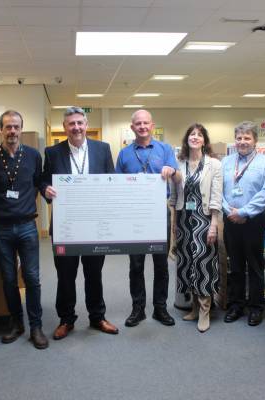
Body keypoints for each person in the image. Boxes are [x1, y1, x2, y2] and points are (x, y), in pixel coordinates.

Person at [41, 106, 118, 340]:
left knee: (94, 273)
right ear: (64, 127)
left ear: (86, 125)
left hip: (96, 225)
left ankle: (97, 317)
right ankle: (66, 319)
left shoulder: (102, 149)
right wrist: (46, 189)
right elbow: (44, 181)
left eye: (79, 123)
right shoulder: (53, 152)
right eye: (71, 124)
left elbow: (111, 179)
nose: (76, 127)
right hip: (66, 226)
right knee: (66, 275)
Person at [0, 110, 48, 350]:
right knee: (8, 278)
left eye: (16, 127)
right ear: (1, 130)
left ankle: (36, 326)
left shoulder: (34, 156)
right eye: (8, 127)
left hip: (27, 226)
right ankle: (17, 323)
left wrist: (23, 205)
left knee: (32, 278)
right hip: (1, 228)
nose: (12, 131)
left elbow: (38, 184)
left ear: (21, 129)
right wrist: (2, 208)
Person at [116, 109, 181, 327]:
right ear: (132, 127)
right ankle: (138, 309)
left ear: (152, 125)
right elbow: (116, 184)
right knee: (136, 265)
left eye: (146, 123)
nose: (142, 126)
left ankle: (160, 309)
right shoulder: (124, 154)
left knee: (161, 264)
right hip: (133, 215)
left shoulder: (165, 149)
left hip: (158, 213)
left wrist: (171, 170)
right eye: (138, 123)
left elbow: (179, 177)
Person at [222, 121, 265, 326]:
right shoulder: (226, 162)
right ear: (235, 140)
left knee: (254, 266)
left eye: (247, 138)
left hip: (254, 220)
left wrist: (244, 212)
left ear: (255, 140)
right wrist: (230, 212)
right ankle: (236, 305)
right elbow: (219, 192)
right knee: (234, 266)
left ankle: (255, 308)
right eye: (239, 138)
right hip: (230, 220)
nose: (242, 142)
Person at [170, 124, 222, 332]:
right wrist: (174, 223)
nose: (195, 137)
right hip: (184, 219)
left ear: (204, 140)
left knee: (203, 264)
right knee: (187, 263)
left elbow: (216, 198)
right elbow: (174, 196)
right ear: (187, 139)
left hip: (204, 219)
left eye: (199, 135)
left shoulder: (214, 165)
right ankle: (193, 307)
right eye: (192, 134)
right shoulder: (179, 163)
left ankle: (204, 311)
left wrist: (214, 225)